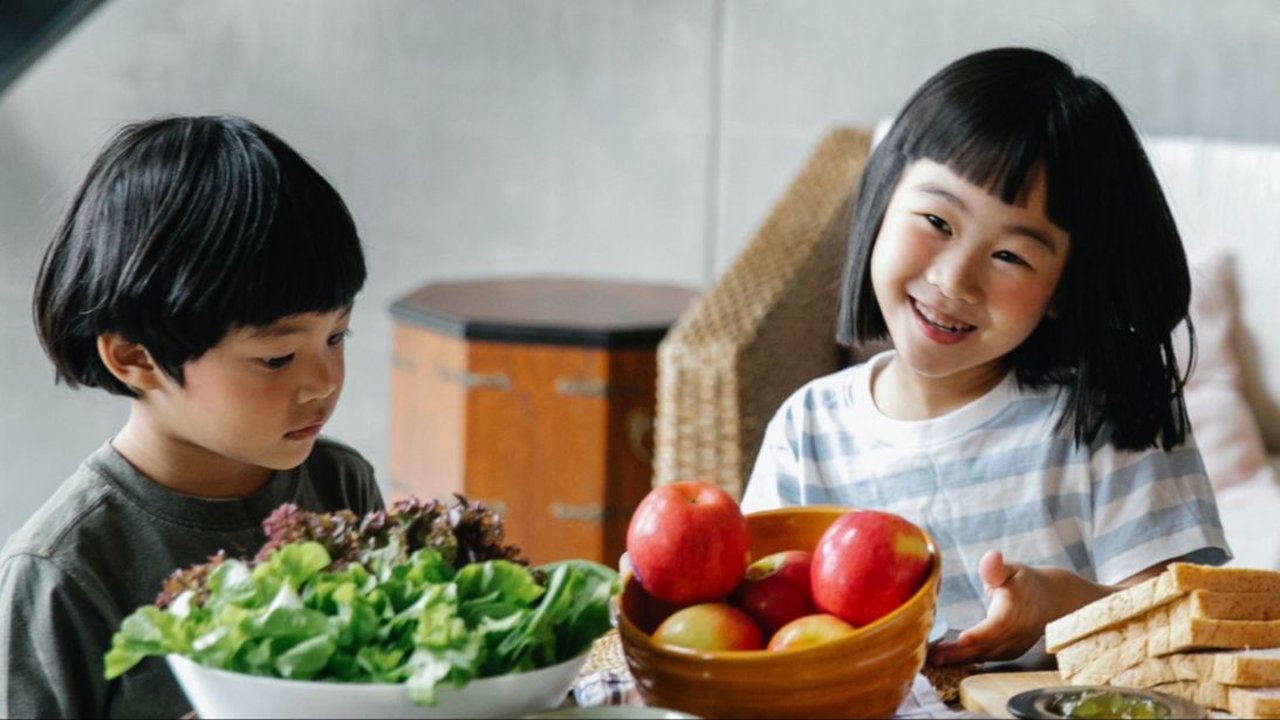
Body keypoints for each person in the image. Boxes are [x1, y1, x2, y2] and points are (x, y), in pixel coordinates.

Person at [739, 47, 1229, 666]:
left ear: (1064, 289)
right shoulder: (807, 431)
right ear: (884, 198)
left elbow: (1191, 639)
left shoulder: (1114, 417)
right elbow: (754, 628)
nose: (955, 279)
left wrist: (1068, 609)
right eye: (937, 221)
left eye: (1011, 257)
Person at [0, 115, 384, 718]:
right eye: (276, 356)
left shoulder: (342, 485)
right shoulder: (64, 569)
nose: (325, 383)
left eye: (337, 337)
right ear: (134, 357)